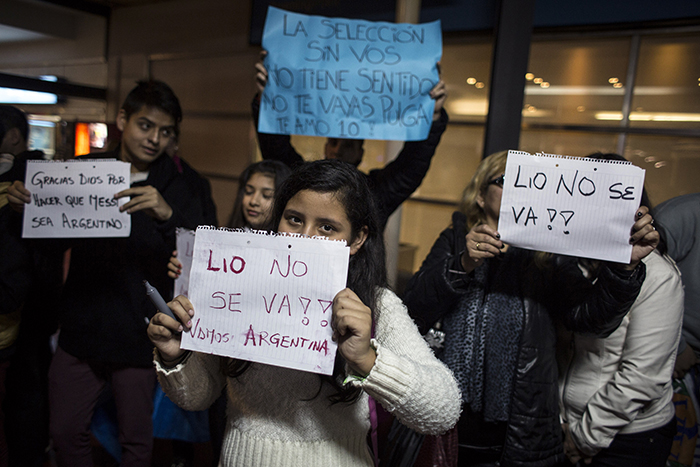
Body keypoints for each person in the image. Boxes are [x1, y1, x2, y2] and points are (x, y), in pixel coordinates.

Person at [148, 160, 461, 467]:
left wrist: (367, 360)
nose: (305, 237)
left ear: (357, 239)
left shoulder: (376, 305)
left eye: (327, 227)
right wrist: (176, 357)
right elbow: (196, 398)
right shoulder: (238, 289)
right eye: (294, 220)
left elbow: (443, 412)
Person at [402, 151, 659, 467]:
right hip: (448, 424)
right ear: (480, 196)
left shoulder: (549, 252)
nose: (517, 189)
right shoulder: (456, 239)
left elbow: (592, 320)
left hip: (519, 430)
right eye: (505, 180)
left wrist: (624, 269)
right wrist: (464, 262)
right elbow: (414, 307)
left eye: (525, 182)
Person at [7, 80, 209, 467]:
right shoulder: (83, 171)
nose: (154, 139)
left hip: (140, 333)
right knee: (64, 432)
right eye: (146, 125)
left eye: (166, 132)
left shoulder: (183, 184)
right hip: (81, 326)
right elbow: (49, 246)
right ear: (122, 119)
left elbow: (200, 253)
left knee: (136, 440)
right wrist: (27, 212)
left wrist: (166, 214)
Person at [558, 152, 682, 466]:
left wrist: (585, 438)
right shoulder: (570, 263)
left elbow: (643, 376)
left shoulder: (658, 275)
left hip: (628, 437)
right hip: (561, 423)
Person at [252, 52, 449, 230]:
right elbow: (276, 149)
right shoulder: (302, 182)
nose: (338, 151)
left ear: (360, 154)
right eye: (334, 142)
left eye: (348, 145)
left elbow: (411, 166)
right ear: (325, 146)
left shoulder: (375, 193)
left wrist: (431, 116)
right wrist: (267, 100)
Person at [0, 105, 62, 467]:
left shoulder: (35, 181)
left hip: (27, 313)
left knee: (26, 398)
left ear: (12, 137)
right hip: (35, 312)